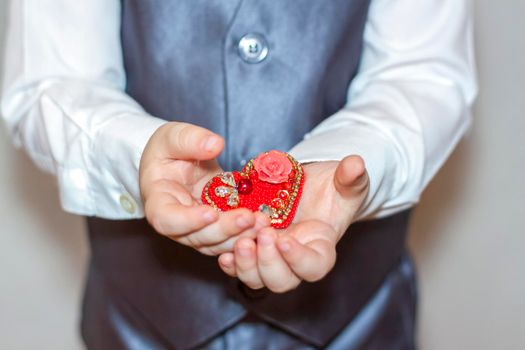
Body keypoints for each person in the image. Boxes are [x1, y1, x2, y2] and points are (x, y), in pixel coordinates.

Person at [1, 0, 477, 349]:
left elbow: (424, 71)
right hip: (140, 320)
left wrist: (333, 169)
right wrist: (137, 153)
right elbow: (52, 79)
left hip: (361, 319)